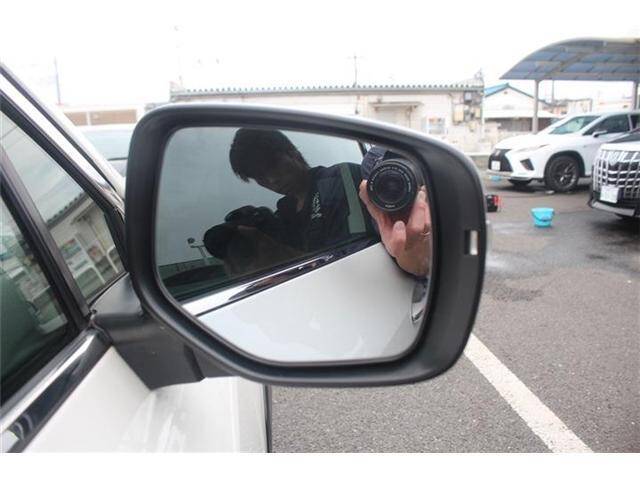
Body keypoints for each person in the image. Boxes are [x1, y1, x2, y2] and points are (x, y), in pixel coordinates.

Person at [205, 128, 431, 278]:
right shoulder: (282, 215)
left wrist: (277, 253)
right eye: (260, 177)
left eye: (272, 165)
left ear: (293, 153)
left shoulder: (343, 179)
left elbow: (354, 260)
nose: (271, 179)